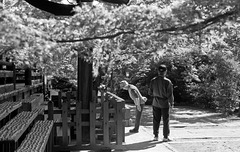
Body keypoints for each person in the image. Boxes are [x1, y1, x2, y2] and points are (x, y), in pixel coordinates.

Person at [148, 64, 174, 142]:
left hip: (155, 102)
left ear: (158, 71)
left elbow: (150, 92)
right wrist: (171, 103)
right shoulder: (167, 81)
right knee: (165, 120)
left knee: (156, 120)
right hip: (164, 103)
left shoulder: (153, 80)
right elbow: (170, 94)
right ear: (165, 71)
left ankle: (156, 136)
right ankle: (165, 137)